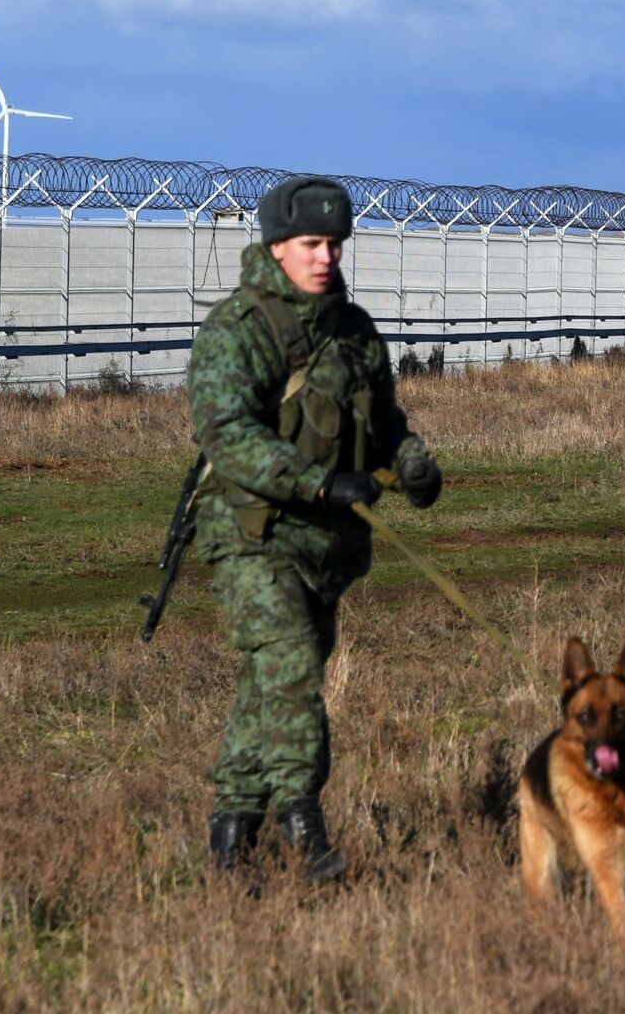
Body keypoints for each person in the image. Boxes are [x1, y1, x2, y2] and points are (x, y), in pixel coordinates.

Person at [187, 175, 442, 881]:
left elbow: (387, 423)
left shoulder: (355, 333)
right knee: (293, 669)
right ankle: (306, 834)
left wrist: (414, 466)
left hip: (326, 549)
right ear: (275, 248)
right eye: (310, 244)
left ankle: (230, 842)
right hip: (253, 537)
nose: (324, 256)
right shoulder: (238, 332)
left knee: (270, 688)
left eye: (333, 244)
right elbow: (228, 435)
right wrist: (322, 483)